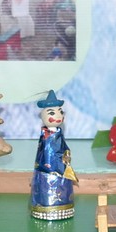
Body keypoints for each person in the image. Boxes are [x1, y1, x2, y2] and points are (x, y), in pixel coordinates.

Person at [31, 89, 77, 220]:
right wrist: (58, 166)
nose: (58, 116)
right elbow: (46, 155)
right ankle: (47, 208)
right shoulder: (46, 136)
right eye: (52, 113)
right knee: (47, 190)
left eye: (60, 112)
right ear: (43, 116)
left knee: (63, 189)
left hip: (61, 170)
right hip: (50, 171)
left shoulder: (57, 133)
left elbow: (62, 148)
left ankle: (63, 207)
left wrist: (66, 156)